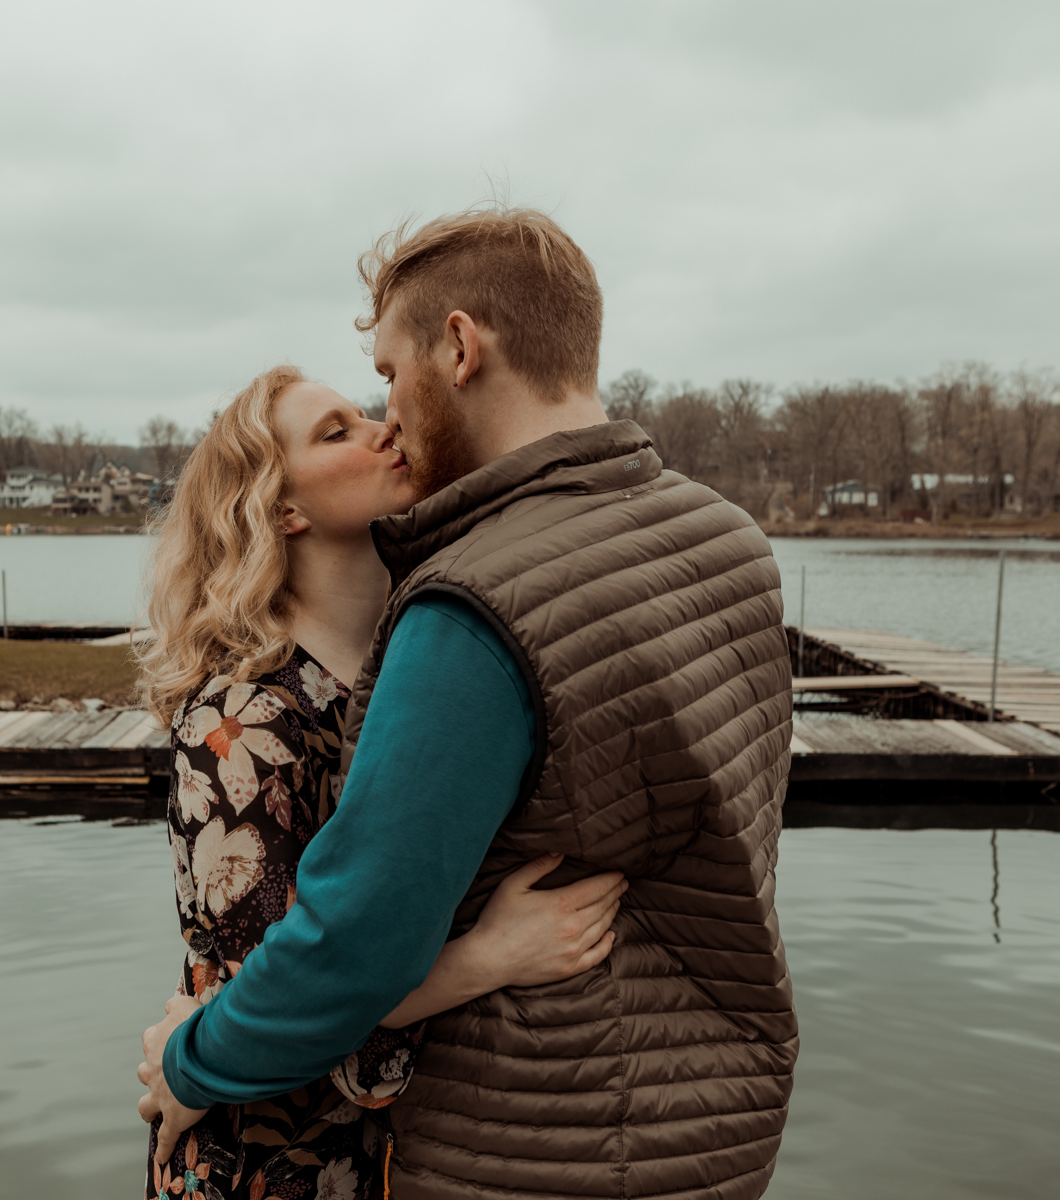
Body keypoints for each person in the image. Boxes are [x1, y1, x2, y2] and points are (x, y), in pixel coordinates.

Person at [141, 206, 798, 1199]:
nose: (389, 416)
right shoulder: (730, 540)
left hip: (539, 1140)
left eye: (388, 378)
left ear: (459, 346)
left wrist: (186, 1064)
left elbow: (352, 943)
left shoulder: (476, 607)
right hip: (711, 1127)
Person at [135, 364, 628, 1200]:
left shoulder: (416, 662)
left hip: (395, 1157)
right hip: (263, 1162)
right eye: (338, 432)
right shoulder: (238, 722)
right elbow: (289, 1005)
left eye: (366, 414)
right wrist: (490, 956)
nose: (382, 429)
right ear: (282, 507)